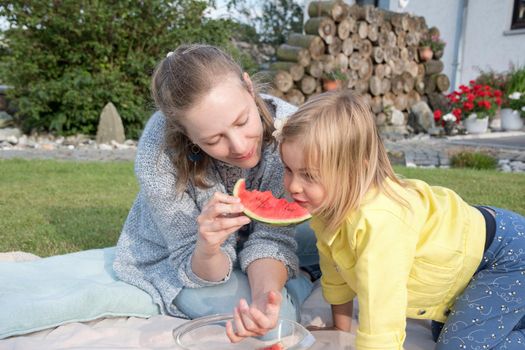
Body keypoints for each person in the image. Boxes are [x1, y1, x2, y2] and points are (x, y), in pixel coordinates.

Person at [277, 90, 525, 349]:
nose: (293, 185)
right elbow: (334, 270)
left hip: (504, 256)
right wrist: (341, 327)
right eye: (288, 169)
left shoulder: (380, 223)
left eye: (309, 175)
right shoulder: (328, 205)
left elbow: (382, 307)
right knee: (446, 331)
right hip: (469, 262)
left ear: (356, 169)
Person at [113, 44, 319, 339]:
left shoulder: (289, 129)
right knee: (274, 325)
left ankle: (294, 279)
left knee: (343, 243)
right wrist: (207, 246)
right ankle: (301, 281)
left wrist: (265, 296)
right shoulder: (156, 157)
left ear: (249, 87)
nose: (239, 146)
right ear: (186, 134)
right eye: (213, 139)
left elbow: (272, 236)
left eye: (242, 121)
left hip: (259, 246)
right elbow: (197, 268)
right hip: (187, 262)